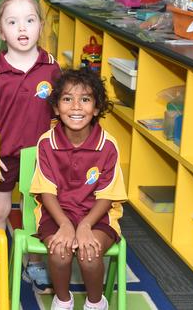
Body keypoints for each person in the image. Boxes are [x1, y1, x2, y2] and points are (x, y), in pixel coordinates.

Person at [0, 0, 61, 293]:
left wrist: (55, 155)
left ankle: (34, 262)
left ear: (40, 25)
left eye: (29, 20)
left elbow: (58, 117)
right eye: (13, 21)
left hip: (40, 160)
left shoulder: (52, 68)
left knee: (35, 214)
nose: (22, 28)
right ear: (1, 31)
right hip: (5, 157)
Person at [30, 68, 127, 310]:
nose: (75, 107)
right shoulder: (46, 143)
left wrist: (84, 225)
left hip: (97, 214)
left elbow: (107, 196)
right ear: (55, 108)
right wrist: (64, 224)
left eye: (85, 99)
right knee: (59, 252)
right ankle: (63, 300)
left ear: (96, 108)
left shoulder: (108, 145)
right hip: (57, 212)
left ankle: (96, 303)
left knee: (89, 254)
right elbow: (46, 192)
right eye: (67, 99)